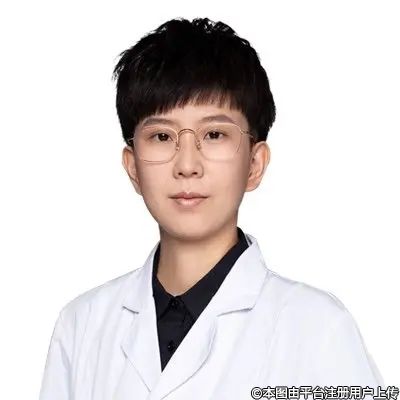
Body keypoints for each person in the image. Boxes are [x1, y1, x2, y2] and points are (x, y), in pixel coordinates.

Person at [39, 17, 385, 400]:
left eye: (214, 134)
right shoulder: (82, 326)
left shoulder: (317, 329)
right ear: (133, 166)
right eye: (162, 136)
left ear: (255, 164)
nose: (187, 165)